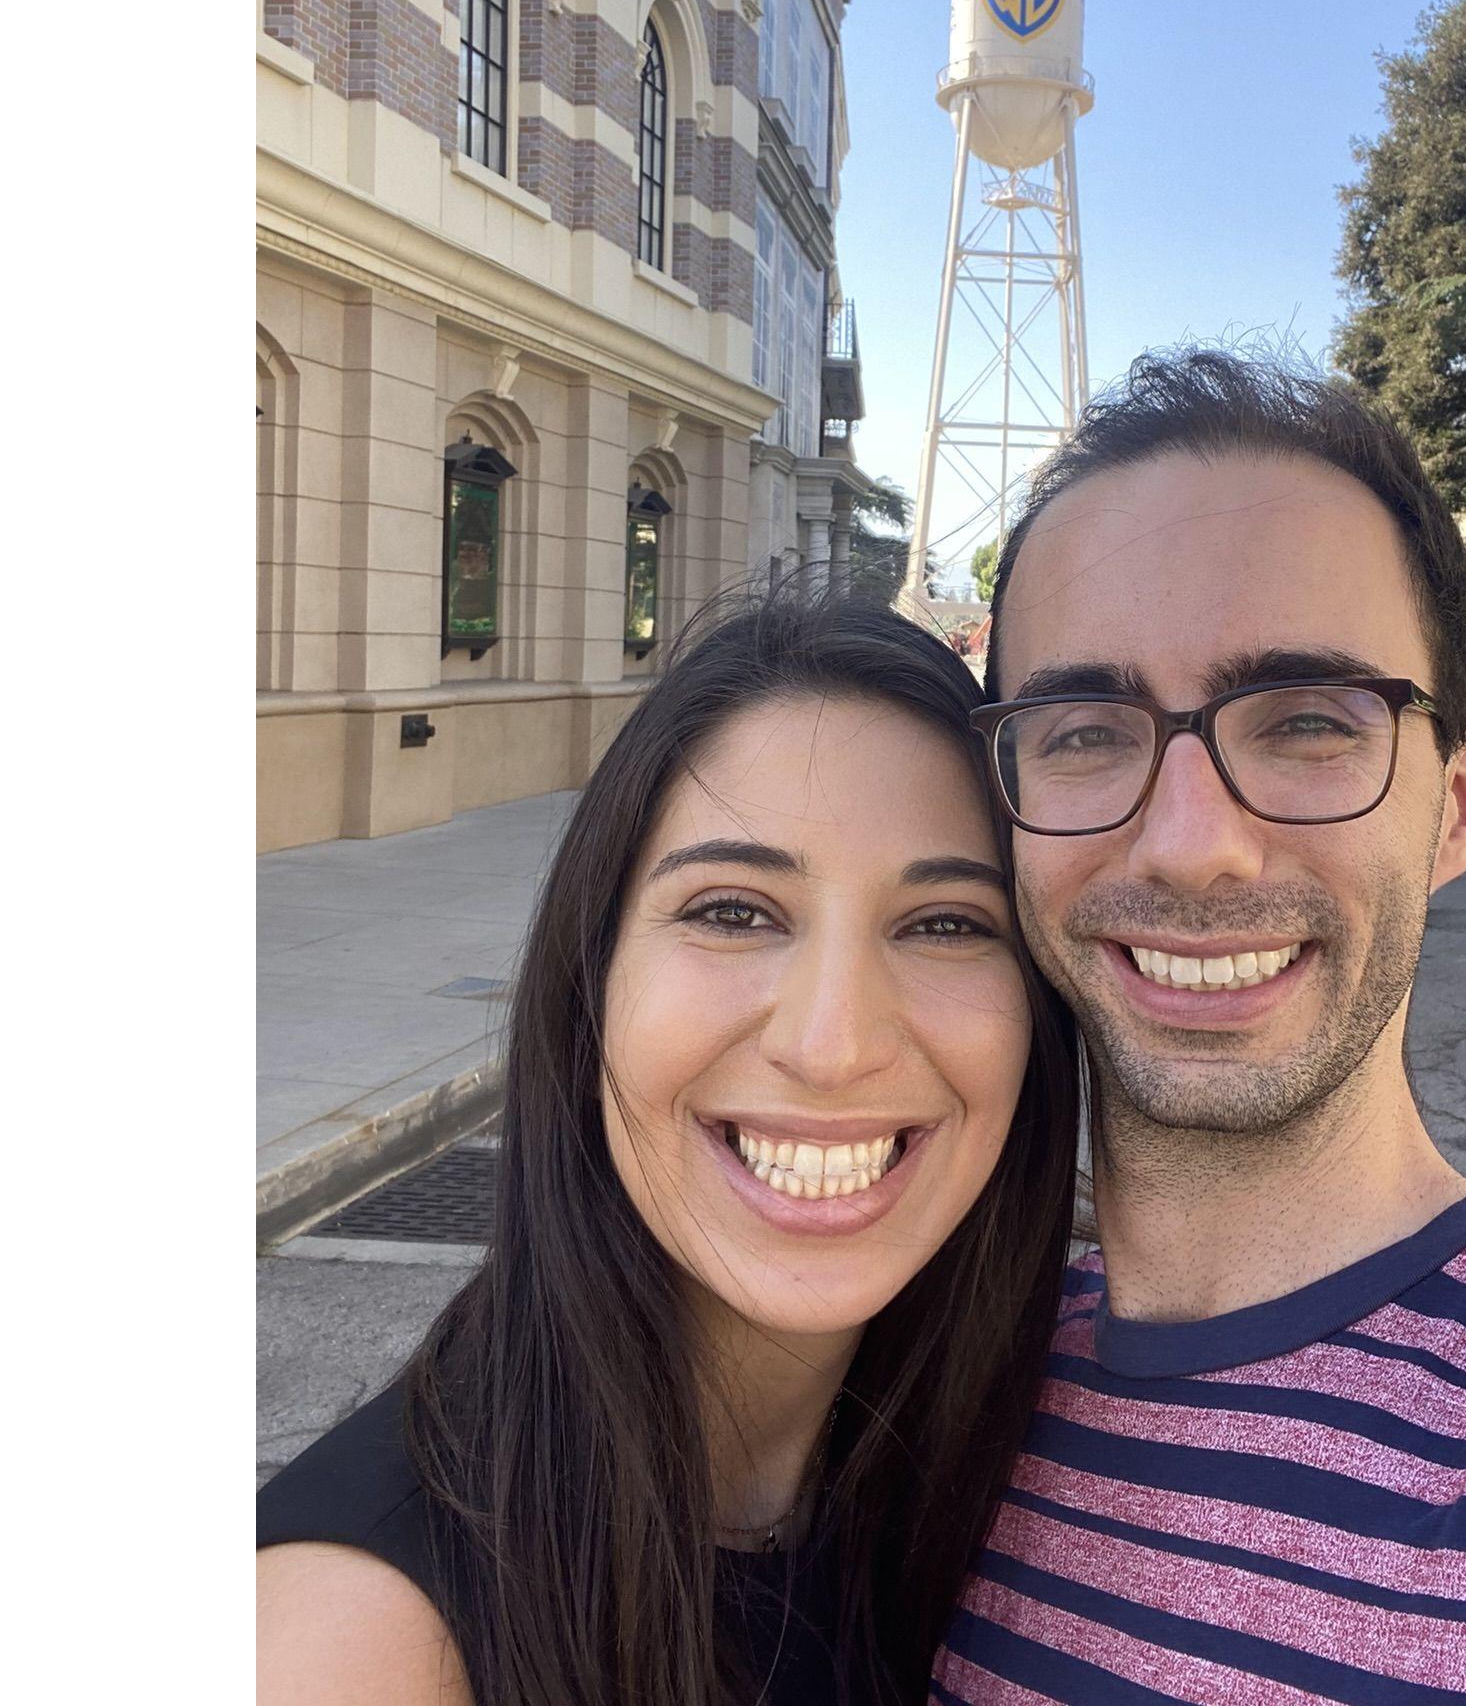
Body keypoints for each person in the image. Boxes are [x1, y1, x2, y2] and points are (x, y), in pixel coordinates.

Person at [935, 350, 1466, 1704]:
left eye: (1311, 722)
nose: (1191, 847)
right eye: (1086, 731)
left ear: (1457, 804)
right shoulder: (935, 1383)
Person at [258, 595, 1080, 1706]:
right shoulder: (351, 1642)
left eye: (945, 922)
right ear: (590, 979)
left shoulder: (1010, 1476)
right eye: (735, 911)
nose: (831, 1044)